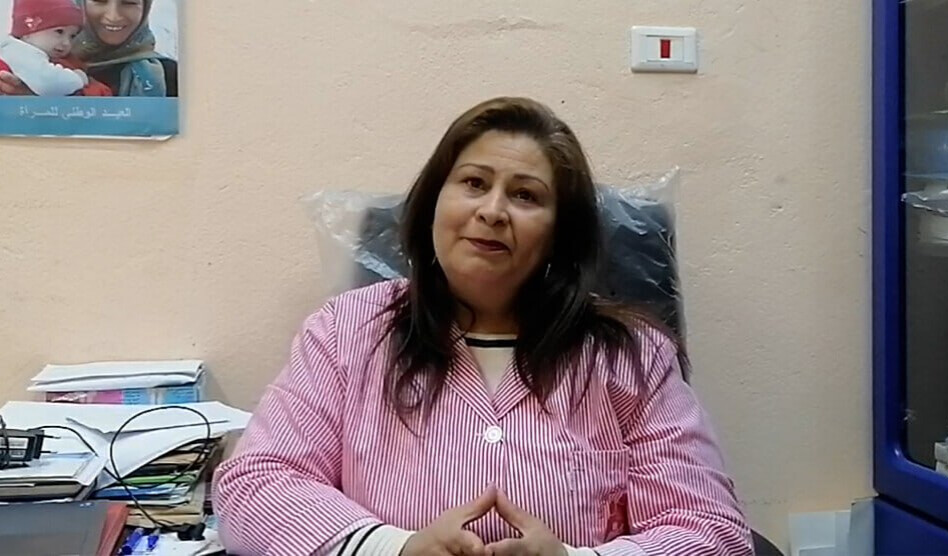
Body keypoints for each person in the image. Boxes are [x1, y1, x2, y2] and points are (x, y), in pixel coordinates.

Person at [212, 97, 754, 556]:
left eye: (525, 195)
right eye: (474, 183)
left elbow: (713, 533)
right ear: (434, 203)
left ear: (559, 235)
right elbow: (253, 485)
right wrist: (395, 548)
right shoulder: (347, 332)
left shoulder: (633, 355)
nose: (493, 211)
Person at [0, 0, 176, 96]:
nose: (114, 16)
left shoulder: (170, 76)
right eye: (99, 0)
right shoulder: (26, 65)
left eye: (129, 2)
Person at [0, 0, 93, 96]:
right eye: (59, 32)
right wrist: (78, 78)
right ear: (28, 31)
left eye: (72, 36)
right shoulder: (19, 52)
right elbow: (51, 84)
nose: (66, 43)